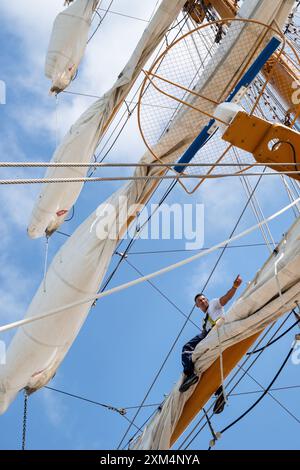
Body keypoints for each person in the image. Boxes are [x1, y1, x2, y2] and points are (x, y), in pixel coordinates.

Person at [179, 275, 243, 413]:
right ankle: (220, 393)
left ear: (206, 300)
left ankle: (190, 374)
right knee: (207, 365)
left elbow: (225, 299)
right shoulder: (203, 321)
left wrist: (235, 287)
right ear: (197, 306)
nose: (202, 301)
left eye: (203, 299)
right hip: (209, 335)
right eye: (199, 301)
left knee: (186, 348)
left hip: (217, 330)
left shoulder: (214, 304)